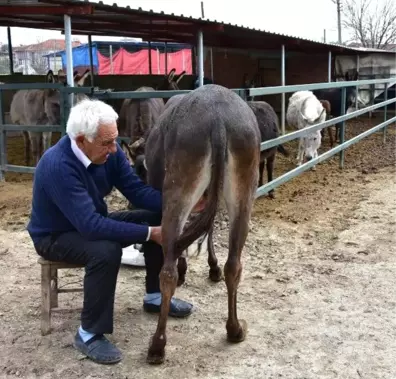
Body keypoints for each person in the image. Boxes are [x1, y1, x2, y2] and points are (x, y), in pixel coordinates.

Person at [27, 98, 198, 365]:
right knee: (105, 251)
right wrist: (150, 234)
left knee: (155, 215)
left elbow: (136, 191)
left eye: (115, 140)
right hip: (55, 235)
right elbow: (91, 227)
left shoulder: (109, 152)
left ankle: (154, 295)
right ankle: (88, 333)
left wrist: (180, 205)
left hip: (91, 220)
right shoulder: (58, 165)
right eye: (107, 143)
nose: (114, 148)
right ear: (81, 140)